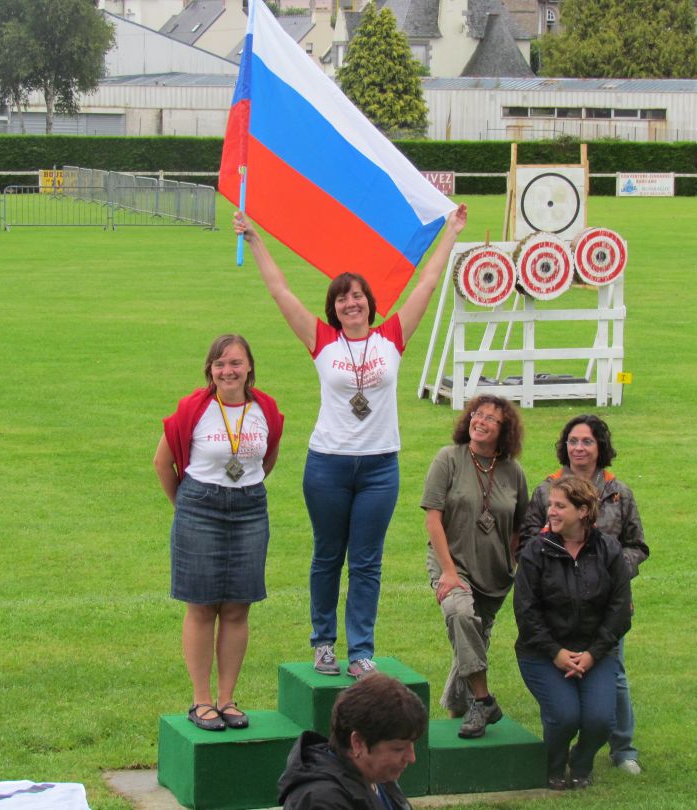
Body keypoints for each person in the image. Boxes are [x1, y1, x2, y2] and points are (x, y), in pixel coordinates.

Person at [234, 205, 467, 679]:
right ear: (333, 308)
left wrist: (452, 233)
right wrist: (256, 239)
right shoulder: (321, 341)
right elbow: (281, 292)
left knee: (366, 562)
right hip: (328, 466)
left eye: (358, 297)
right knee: (327, 555)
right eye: (342, 299)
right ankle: (323, 643)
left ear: (369, 302)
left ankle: (360, 649)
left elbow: (427, 284)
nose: (350, 304)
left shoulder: (392, 339)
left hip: (380, 468)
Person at [154, 334, 284, 731]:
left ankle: (227, 699)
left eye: (236, 363)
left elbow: (268, 458)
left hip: (249, 509)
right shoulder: (194, 408)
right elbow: (162, 463)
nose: (228, 371)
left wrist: (242, 493)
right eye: (220, 364)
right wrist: (186, 507)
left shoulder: (266, 410)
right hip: (199, 507)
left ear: (249, 368)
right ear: (210, 370)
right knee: (201, 605)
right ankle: (201, 701)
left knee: (237, 607)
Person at [519, 414, 649, 773]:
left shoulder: (618, 492)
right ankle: (559, 751)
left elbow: (637, 545)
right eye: (573, 441)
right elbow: (529, 542)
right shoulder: (547, 490)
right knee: (559, 686)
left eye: (587, 441)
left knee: (614, 673)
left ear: (600, 447)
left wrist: (611, 576)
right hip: (556, 601)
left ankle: (623, 749)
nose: (579, 448)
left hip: (604, 603)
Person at [513, 476, 632, 790]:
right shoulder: (534, 552)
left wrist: (593, 654)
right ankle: (553, 766)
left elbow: (620, 610)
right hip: (541, 653)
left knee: (600, 720)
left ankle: (581, 762)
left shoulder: (608, 550)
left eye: (559, 506)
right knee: (565, 716)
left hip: (595, 652)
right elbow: (526, 612)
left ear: (583, 511)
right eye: (551, 504)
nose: (550, 512)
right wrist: (555, 652)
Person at [420, 394, 528, 738]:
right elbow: (433, 521)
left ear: (504, 430)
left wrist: (517, 566)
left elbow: (519, 528)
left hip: (494, 573)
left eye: (490, 419)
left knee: (472, 639)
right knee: (461, 615)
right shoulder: (448, 459)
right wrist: (449, 572)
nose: (479, 422)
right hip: (451, 565)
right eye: (476, 415)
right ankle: (483, 700)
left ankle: (459, 706)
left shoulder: (513, 472)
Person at [278, 673, 427, 810]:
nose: (412, 757)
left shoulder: (377, 776)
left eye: (411, 744)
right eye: (398, 749)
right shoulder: (321, 802)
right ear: (358, 743)